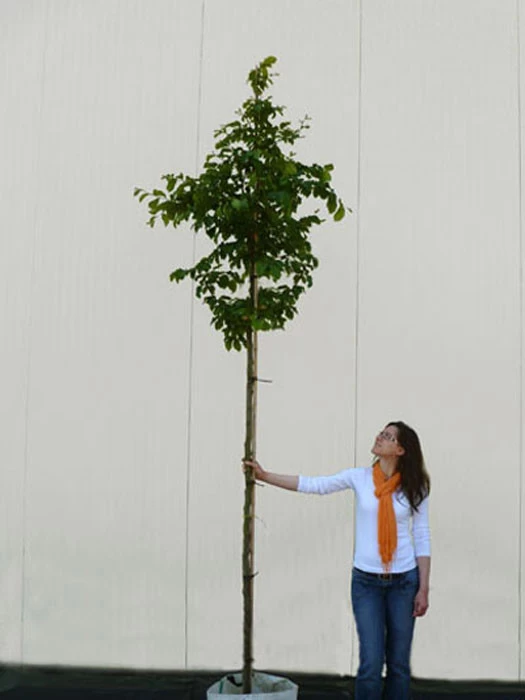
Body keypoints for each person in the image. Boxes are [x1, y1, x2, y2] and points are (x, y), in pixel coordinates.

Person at [243, 420, 431, 700]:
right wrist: (266, 476)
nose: (379, 437)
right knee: (370, 664)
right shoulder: (359, 477)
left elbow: (422, 535)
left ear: (401, 450)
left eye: (388, 436)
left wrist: (423, 587)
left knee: (399, 665)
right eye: (381, 432)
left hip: (404, 582)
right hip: (366, 583)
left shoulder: (416, 486)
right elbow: (315, 485)